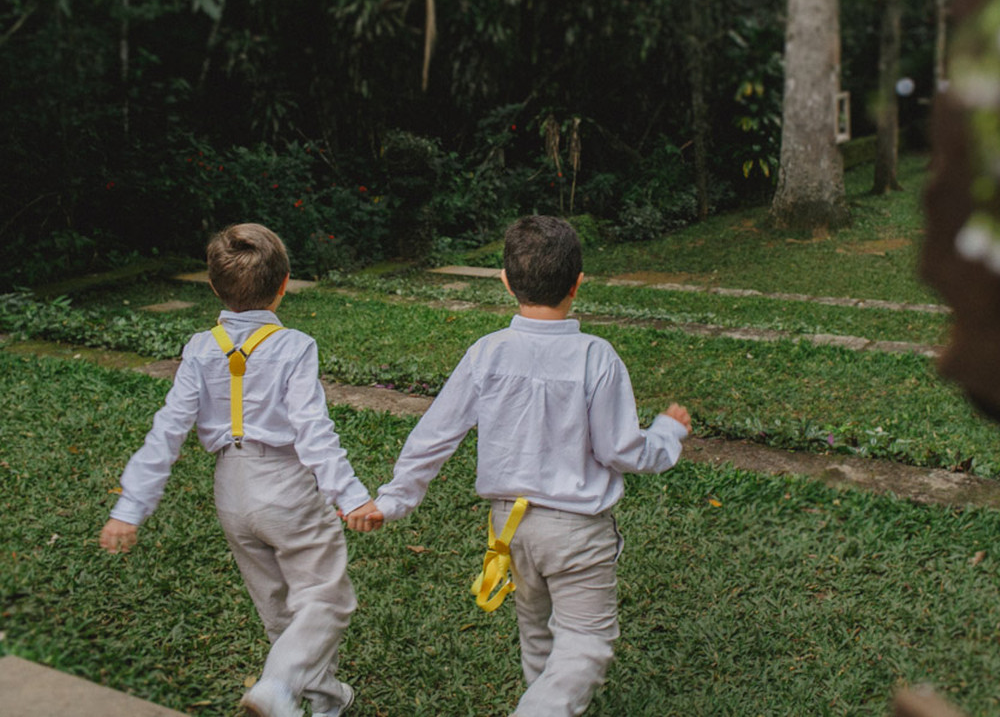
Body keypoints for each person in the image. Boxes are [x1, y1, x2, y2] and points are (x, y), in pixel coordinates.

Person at [347, 214, 692, 717]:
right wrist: (667, 433)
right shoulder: (596, 357)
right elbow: (622, 451)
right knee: (586, 642)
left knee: (536, 634)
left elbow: (435, 434)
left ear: (505, 282)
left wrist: (393, 499)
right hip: (577, 532)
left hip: (511, 529)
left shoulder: (487, 353)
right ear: (578, 283)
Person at [99, 223, 379, 717]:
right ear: (285, 283)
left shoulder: (201, 347)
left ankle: (323, 699)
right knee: (325, 600)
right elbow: (313, 430)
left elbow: (167, 431)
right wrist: (350, 494)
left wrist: (130, 507)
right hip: (287, 489)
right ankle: (278, 688)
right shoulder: (295, 346)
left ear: (213, 287)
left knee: (278, 608)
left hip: (231, 492)